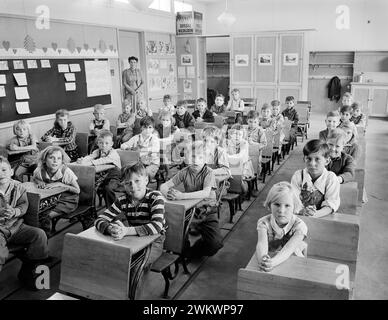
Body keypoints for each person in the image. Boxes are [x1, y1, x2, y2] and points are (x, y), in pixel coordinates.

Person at [94, 162, 166, 271]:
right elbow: (99, 220)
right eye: (128, 183)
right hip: (134, 239)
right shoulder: (122, 200)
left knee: (134, 265)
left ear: (146, 180)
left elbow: (156, 227)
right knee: (112, 260)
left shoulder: (156, 197)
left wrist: (126, 231)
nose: (133, 186)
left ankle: (134, 287)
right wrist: (111, 229)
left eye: (137, 181)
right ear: (123, 185)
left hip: (154, 241)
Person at [160, 141, 223, 259]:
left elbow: (205, 193)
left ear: (206, 159)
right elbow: (163, 186)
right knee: (176, 230)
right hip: (191, 211)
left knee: (215, 244)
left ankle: (196, 250)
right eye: (193, 156)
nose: (195, 160)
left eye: (200, 157)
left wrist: (181, 196)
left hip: (207, 211)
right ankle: (184, 253)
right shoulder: (185, 172)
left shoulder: (208, 172)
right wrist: (168, 194)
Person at [0, 156, 49, 290]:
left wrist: (15, 212)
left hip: (16, 226)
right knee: (0, 253)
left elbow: (24, 205)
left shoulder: (18, 187)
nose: (0, 174)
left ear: (11, 171)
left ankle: (30, 271)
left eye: (3, 170)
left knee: (39, 235)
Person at [256, 182, 307, 272]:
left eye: (287, 205)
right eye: (277, 205)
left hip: (294, 262)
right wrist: (263, 260)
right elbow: (261, 243)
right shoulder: (263, 223)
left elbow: (288, 249)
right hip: (271, 261)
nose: (281, 210)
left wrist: (272, 263)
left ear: (294, 207)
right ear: (269, 205)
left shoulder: (300, 226)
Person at [32, 146, 80, 234]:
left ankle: (45, 236)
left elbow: (77, 190)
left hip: (67, 200)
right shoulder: (39, 170)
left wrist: (61, 184)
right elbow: (34, 178)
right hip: (50, 199)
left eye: (59, 158)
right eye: (51, 158)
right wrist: (39, 182)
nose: (55, 161)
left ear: (62, 160)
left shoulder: (65, 171)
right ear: (44, 159)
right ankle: (36, 235)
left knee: (44, 216)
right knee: (33, 213)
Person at [291, 139, 340, 217]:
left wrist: (314, 214)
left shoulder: (331, 178)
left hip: (322, 218)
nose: (312, 164)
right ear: (304, 159)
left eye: (317, 159)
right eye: (309, 159)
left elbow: (331, 203)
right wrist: (302, 211)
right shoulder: (298, 176)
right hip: (300, 216)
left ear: (327, 161)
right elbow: (294, 200)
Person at [77, 130, 121, 206]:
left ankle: (113, 208)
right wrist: (82, 160)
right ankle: (89, 207)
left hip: (114, 176)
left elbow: (102, 160)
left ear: (111, 144)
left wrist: (90, 163)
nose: (103, 145)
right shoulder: (98, 151)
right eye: (101, 143)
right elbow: (90, 156)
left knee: (108, 188)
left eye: (106, 143)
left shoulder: (113, 153)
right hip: (103, 175)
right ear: (97, 143)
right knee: (87, 185)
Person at [245, 110, 267, 177]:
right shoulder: (244, 130)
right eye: (250, 122)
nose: (252, 124)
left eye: (255, 122)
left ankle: (256, 175)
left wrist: (254, 144)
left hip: (256, 154)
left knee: (255, 167)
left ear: (258, 122)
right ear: (247, 121)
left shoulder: (260, 131)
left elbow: (264, 144)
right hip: (246, 153)